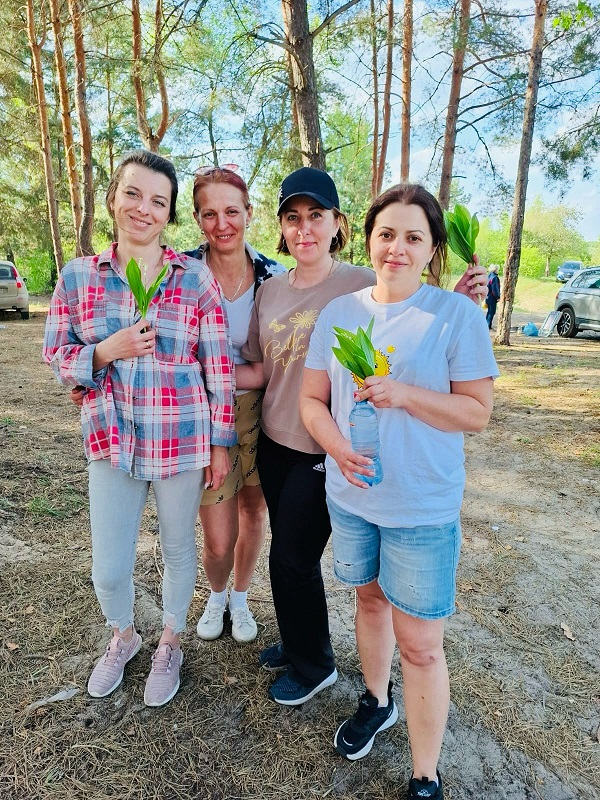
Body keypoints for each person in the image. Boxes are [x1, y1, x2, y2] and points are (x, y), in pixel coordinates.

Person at [238, 167, 489, 707]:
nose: (304, 228)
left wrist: (458, 299)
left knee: (293, 558)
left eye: (317, 216)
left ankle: (314, 663)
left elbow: (407, 302)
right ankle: (298, 642)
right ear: (281, 227)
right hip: (277, 437)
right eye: (292, 217)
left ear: (339, 224)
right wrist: (195, 373)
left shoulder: (354, 281)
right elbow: (261, 367)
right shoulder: (271, 289)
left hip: (328, 448)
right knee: (288, 556)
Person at [299, 183, 498, 799]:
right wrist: (338, 449)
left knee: (422, 646)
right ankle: (376, 700)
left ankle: (424, 775)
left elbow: (476, 412)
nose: (397, 248)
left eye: (414, 236)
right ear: (367, 240)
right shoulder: (340, 313)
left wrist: (404, 394)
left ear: (433, 248)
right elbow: (312, 401)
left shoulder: (455, 315)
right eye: (386, 234)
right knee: (368, 602)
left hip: (421, 507)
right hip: (353, 498)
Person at [43, 149, 236, 707]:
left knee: (178, 547)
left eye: (158, 201)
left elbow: (218, 367)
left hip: (181, 438)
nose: (143, 209)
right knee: (108, 566)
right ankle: (123, 635)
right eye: (133, 194)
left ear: (169, 213)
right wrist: (104, 351)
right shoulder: (78, 277)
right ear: (113, 199)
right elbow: (56, 355)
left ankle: (170, 640)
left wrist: (221, 443)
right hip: (112, 439)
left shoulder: (193, 279)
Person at [184, 166, 285, 644]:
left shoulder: (275, 277)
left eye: (231, 211)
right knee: (218, 536)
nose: (222, 224)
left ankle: (240, 598)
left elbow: (282, 361)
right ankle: (216, 592)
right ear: (197, 218)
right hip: (205, 419)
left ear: (249, 212)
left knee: (254, 511)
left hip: (264, 414)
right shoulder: (179, 272)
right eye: (209, 214)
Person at [485, 263, 501, 329]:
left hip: (487, 296)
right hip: (492, 297)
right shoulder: (495, 278)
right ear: (496, 270)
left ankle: (486, 324)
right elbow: (495, 289)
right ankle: (487, 325)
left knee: (489, 311)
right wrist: (498, 297)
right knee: (492, 312)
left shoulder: (488, 276)